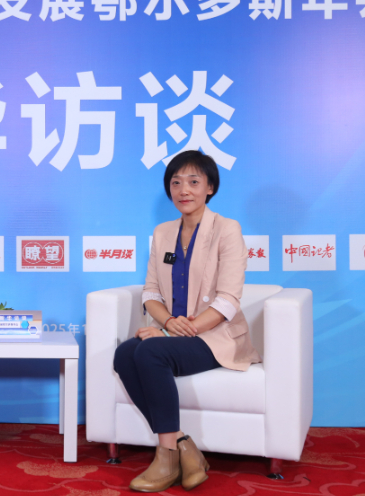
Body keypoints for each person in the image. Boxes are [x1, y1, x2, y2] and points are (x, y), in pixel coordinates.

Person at [112, 150, 261, 492]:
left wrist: (169, 332)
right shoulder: (163, 232)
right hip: (174, 331)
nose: (184, 190)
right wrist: (166, 323)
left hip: (216, 337)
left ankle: (166, 457)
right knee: (124, 353)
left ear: (210, 187)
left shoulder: (227, 229)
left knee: (150, 351)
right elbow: (151, 291)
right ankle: (183, 445)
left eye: (194, 182)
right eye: (176, 182)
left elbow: (227, 300)